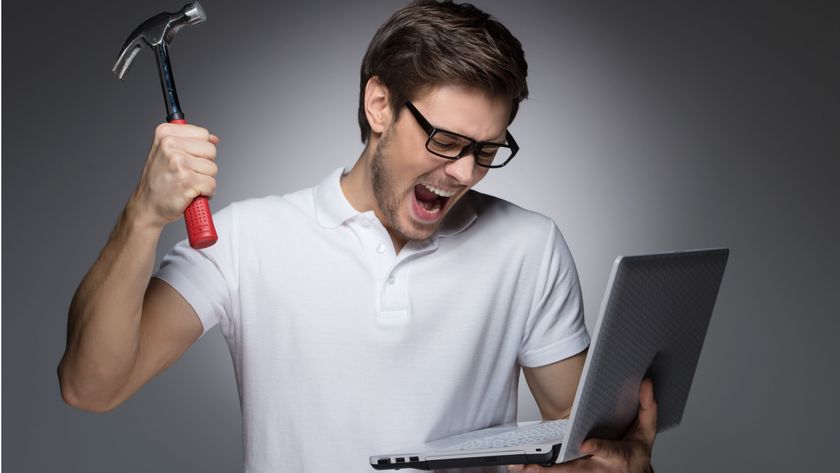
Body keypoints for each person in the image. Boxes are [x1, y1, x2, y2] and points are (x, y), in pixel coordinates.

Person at [58, 1, 657, 472]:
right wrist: (143, 214)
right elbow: (91, 386)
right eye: (444, 140)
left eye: (486, 150)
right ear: (379, 104)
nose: (463, 172)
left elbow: (579, 438)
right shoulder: (246, 240)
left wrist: (618, 459)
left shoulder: (529, 246)